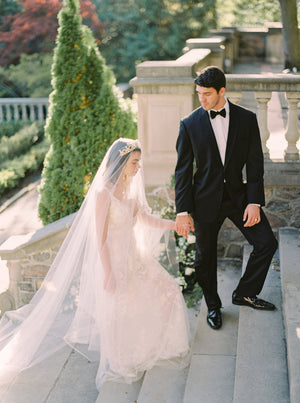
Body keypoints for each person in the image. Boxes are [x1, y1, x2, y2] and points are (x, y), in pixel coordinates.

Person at [0, 138, 190, 395]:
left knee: (168, 291)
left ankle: (155, 346)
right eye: (134, 162)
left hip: (135, 258)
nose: (138, 167)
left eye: (139, 162)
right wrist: (109, 273)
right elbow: (99, 239)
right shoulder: (104, 194)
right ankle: (124, 360)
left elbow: (146, 218)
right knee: (119, 311)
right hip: (113, 261)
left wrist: (175, 225)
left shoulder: (130, 190)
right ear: (121, 163)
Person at [175, 66, 278, 330]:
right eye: (199, 93)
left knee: (266, 243)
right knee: (204, 258)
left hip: (238, 196)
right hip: (204, 200)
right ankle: (213, 306)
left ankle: (244, 293)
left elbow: (255, 164)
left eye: (207, 94)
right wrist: (182, 210)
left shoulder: (247, 119)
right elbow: (183, 171)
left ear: (222, 91)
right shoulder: (189, 124)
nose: (202, 99)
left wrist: (254, 201)